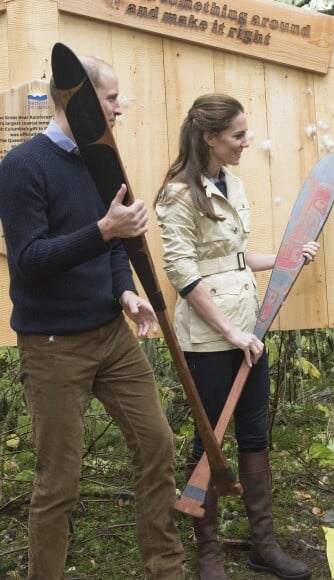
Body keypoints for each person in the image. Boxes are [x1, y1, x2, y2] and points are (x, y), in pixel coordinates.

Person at [0, 56, 186, 578]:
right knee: (58, 480)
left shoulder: (99, 160)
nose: (119, 108)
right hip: (54, 345)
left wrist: (124, 292)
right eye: (110, 99)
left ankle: (165, 570)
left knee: (156, 443)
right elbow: (30, 261)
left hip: (111, 335)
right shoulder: (21, 167)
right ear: (79, 100)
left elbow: (113, 246)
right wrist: (104, 229)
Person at [154, 93, 318, 580]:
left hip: (251, 327)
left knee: (252, 434)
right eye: (238, 136)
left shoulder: (234, 184)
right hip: (209, 340)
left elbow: (235, 258)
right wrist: (228, 332)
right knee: (210, 439)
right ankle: (208, 554)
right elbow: (183, 274)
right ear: (210, 137)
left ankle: (262, 546)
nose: (246, 143)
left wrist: (286, 256)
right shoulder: (178, 194)